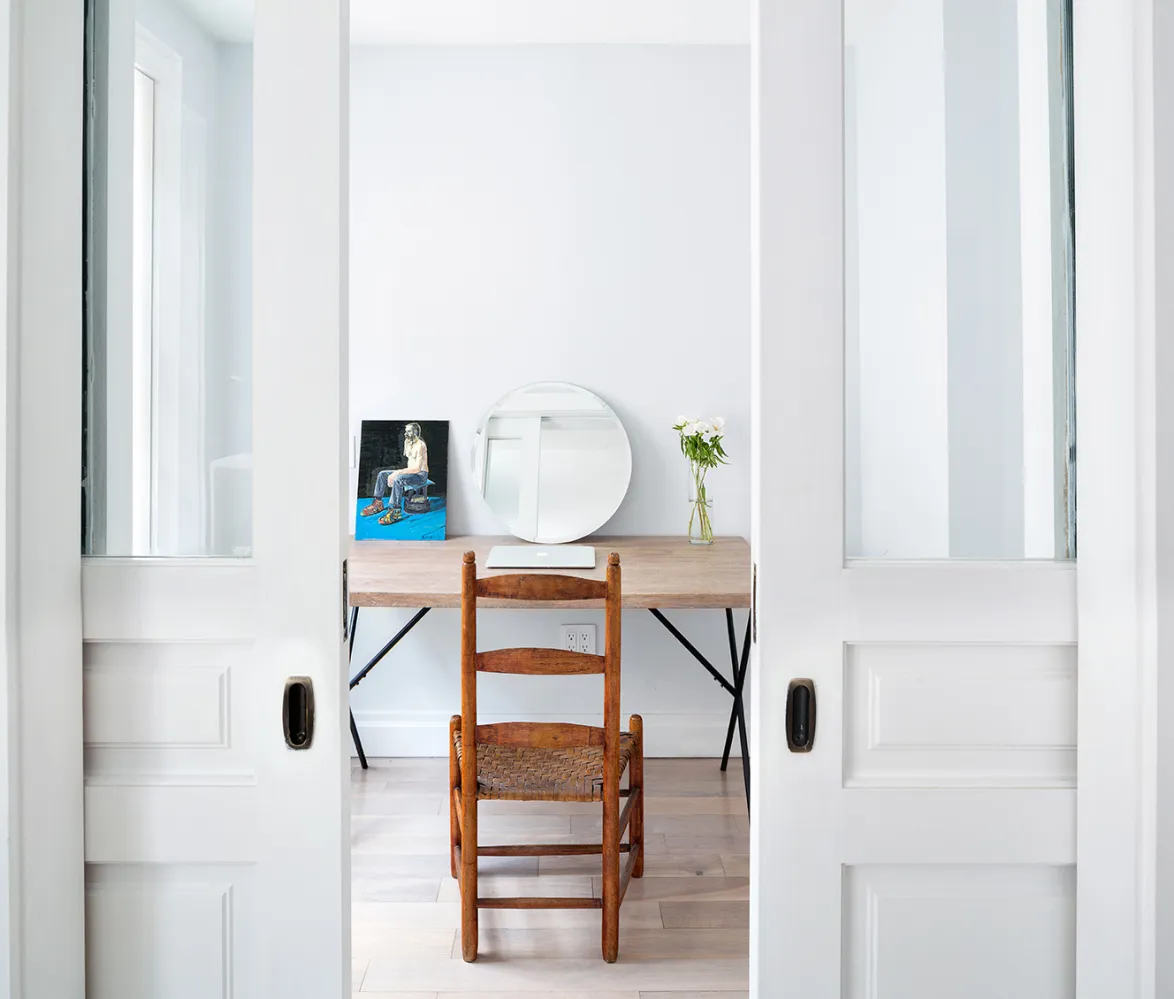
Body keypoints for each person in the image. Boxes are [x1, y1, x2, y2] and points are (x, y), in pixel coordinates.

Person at [360, 423, 429, 525]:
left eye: (409, 431)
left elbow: (417, 468)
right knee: (382, 474)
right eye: (406, 431)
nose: (406, 433)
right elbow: (410, 466)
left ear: (415, 432)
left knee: (398, 479)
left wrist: (398, 472)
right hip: (411, 472)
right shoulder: (408, 442)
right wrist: (399, 472)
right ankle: (378, 503)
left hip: (420, 475)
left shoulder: (420, 445)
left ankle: (395, 511)